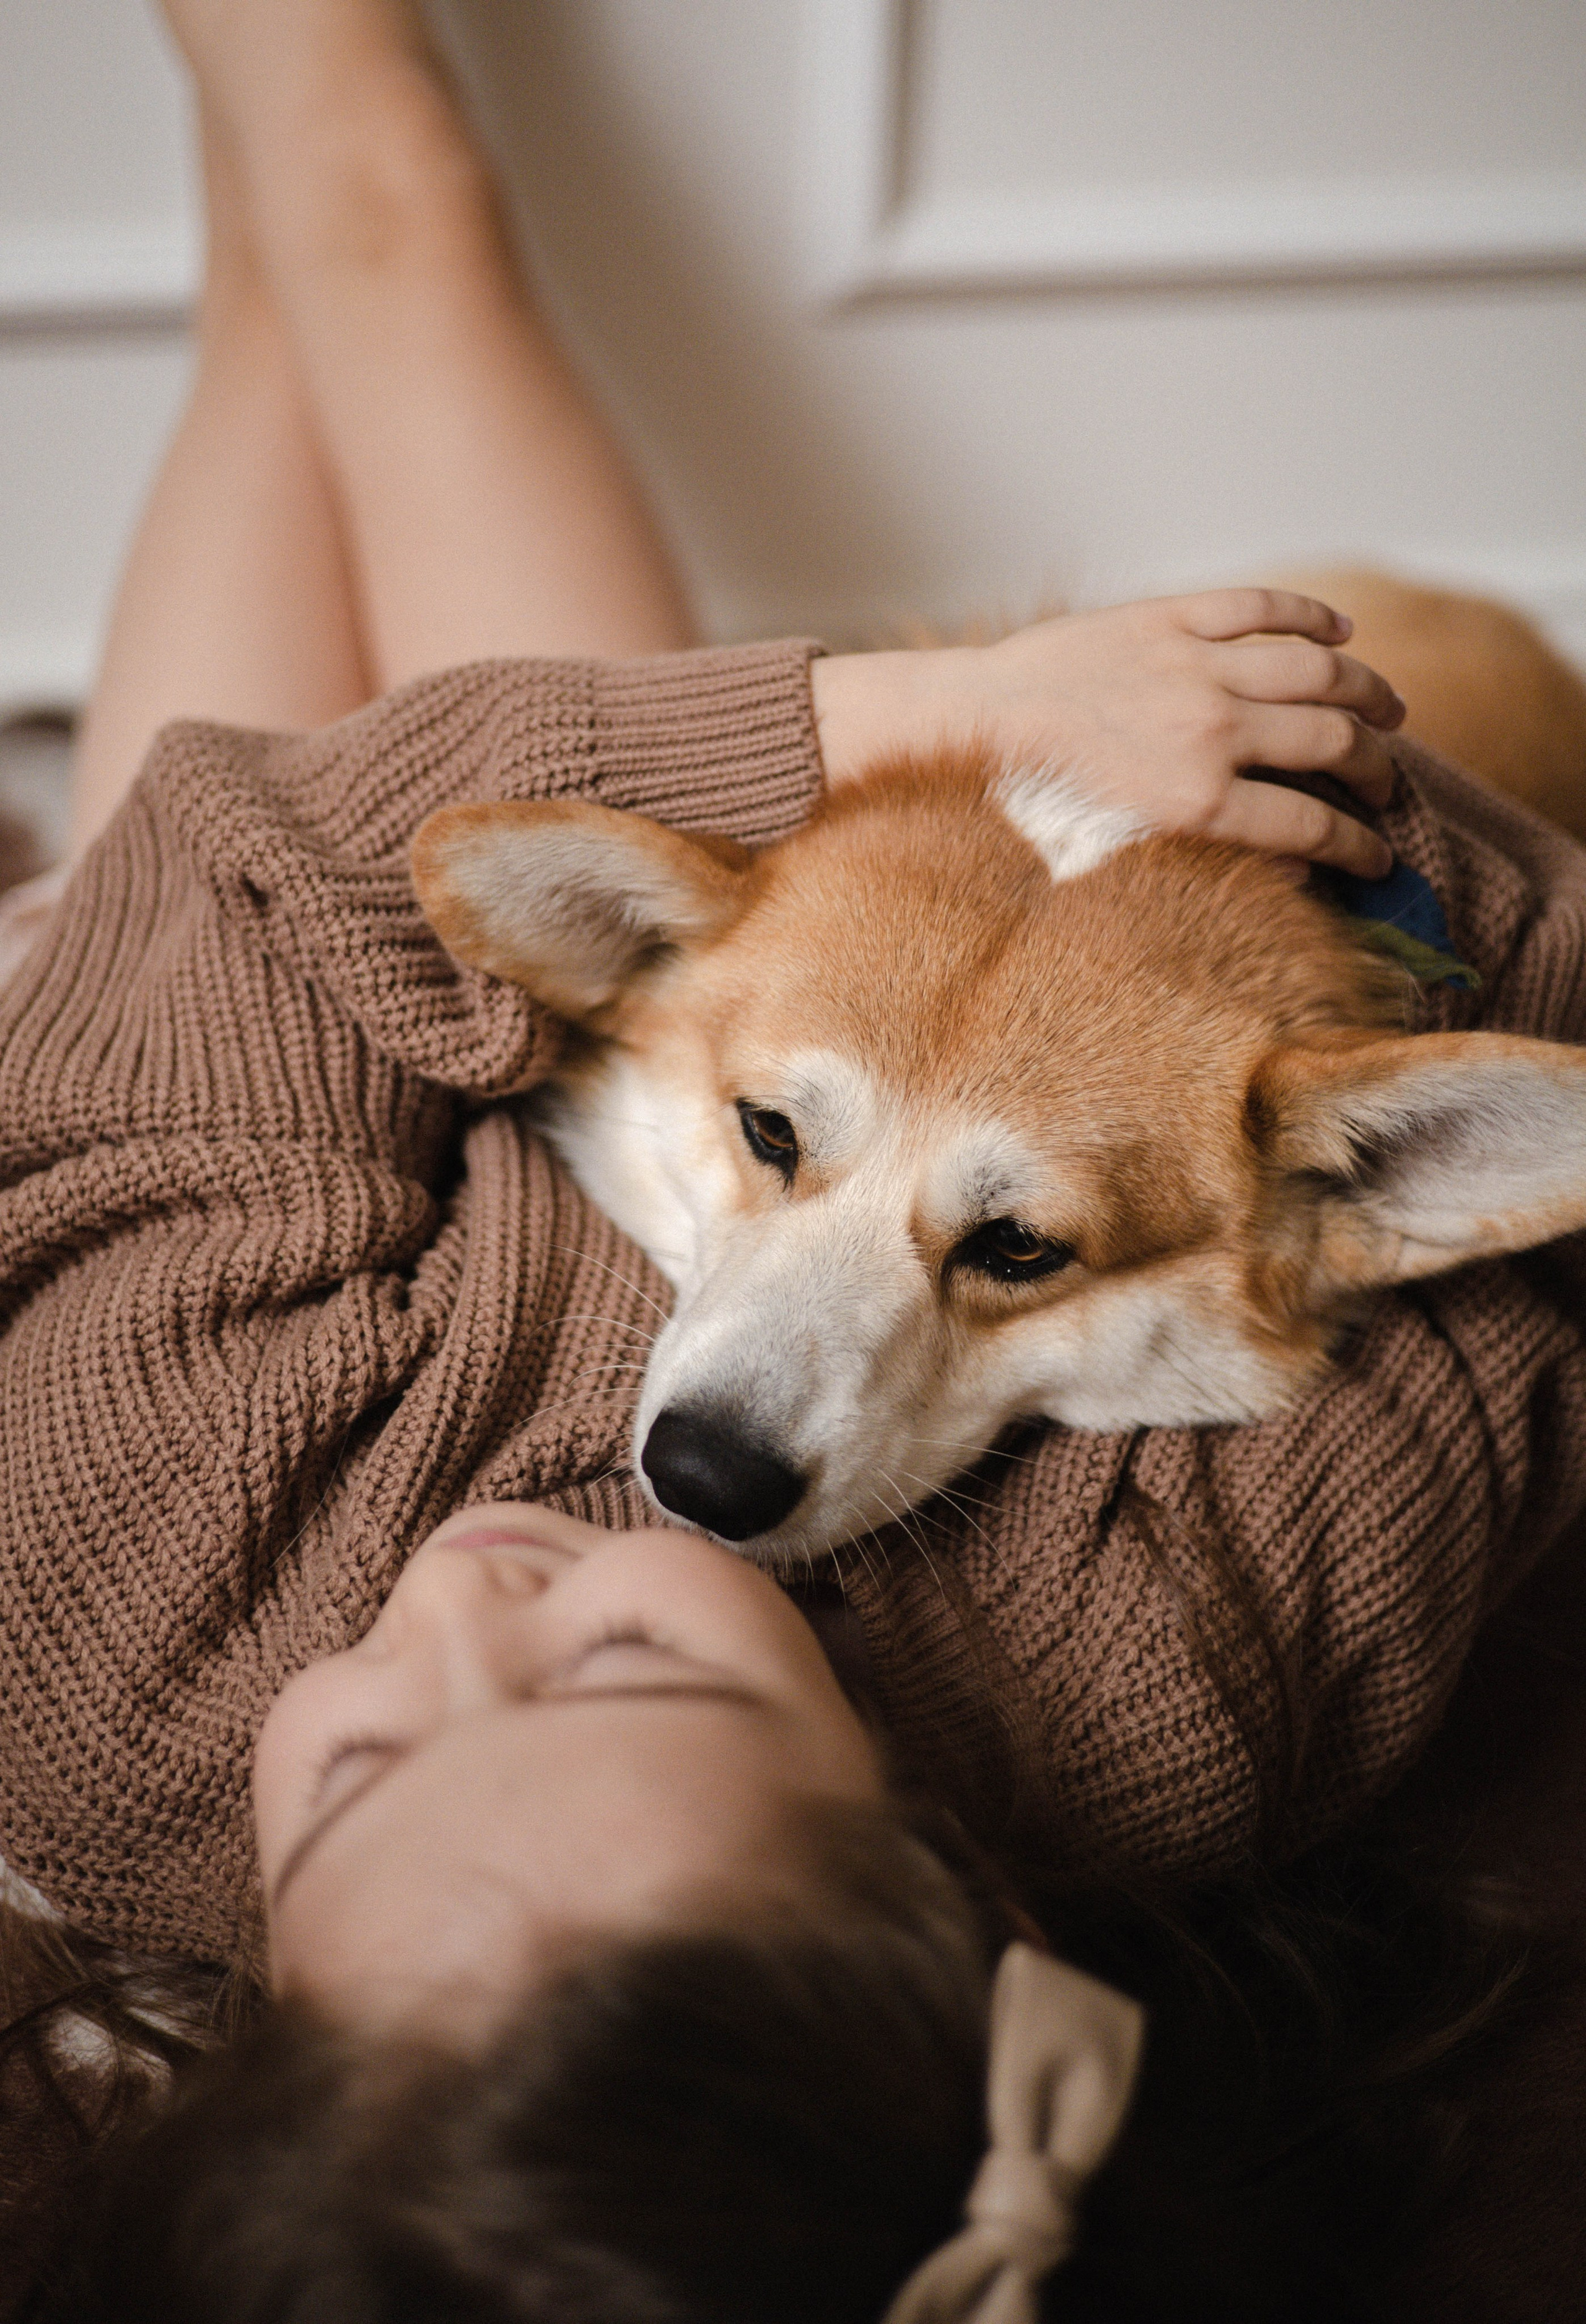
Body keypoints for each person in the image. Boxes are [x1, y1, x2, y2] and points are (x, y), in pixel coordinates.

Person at [2, 0, 1585, 2311]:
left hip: (170, 1051)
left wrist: (915, 716)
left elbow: (238, 861)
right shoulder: (1175, 1715)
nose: (481, 1601)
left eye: (348, 1776)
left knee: (346, 247)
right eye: (637, 1676)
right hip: (591, 1032)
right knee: (1477, 680)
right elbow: (1505, 1220)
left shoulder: (132, 1661)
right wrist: (1312, 868)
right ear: (953, 1896)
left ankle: (338, 136)